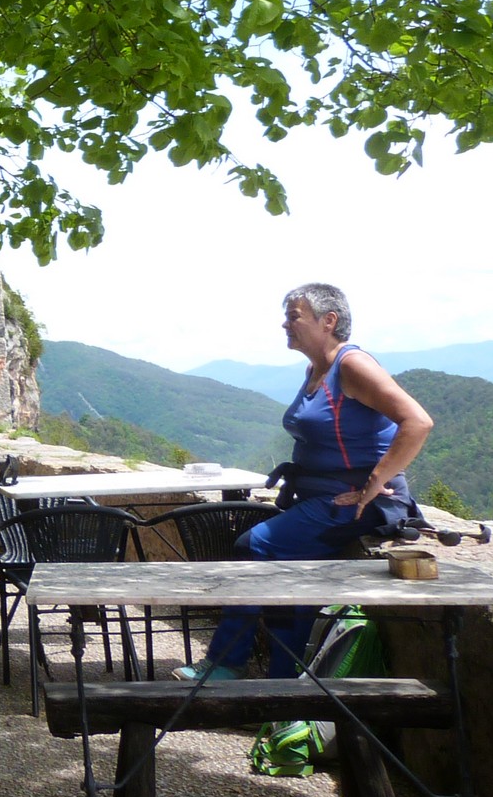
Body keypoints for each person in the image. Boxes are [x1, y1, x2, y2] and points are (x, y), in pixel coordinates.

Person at [177, 282, 434, 682]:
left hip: (356, 503)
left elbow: (417, 422)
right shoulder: (317, 369)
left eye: (293, 317)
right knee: (291, 584)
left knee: (253, 546)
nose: (285, 324)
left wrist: (376, 480)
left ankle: (226, 662)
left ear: (328, 321)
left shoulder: (352, 365)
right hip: (318, 499)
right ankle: (287, 685)